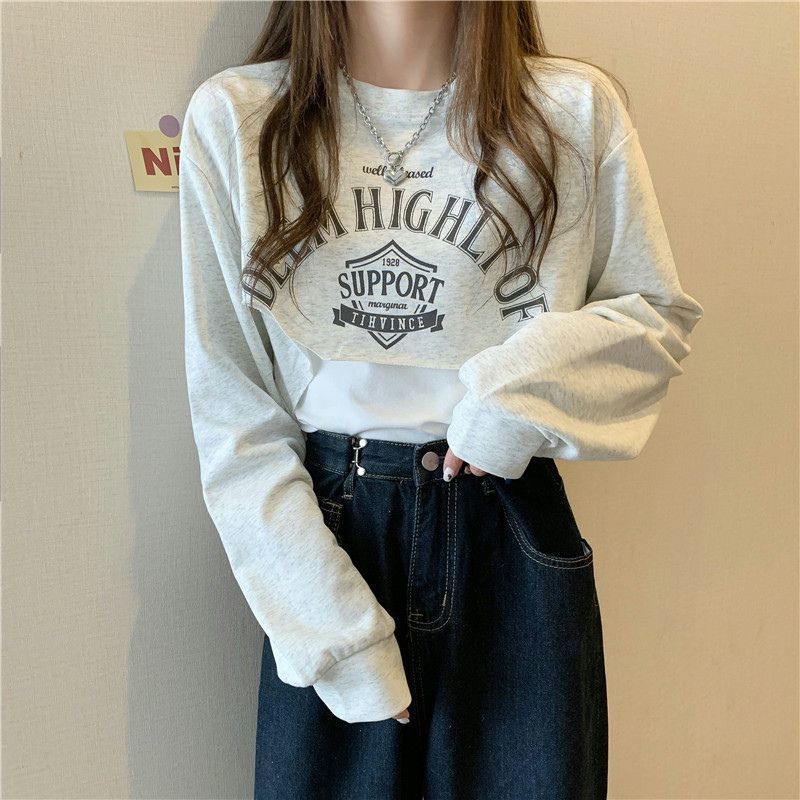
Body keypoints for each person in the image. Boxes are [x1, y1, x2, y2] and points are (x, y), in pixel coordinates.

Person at [179, 1, 704, 797]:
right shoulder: (241, 119)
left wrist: (512, 401)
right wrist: (329, 628)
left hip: (507, 527)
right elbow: (232, 408)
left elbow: (652, 322)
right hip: (327, 531)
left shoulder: (571, 111)